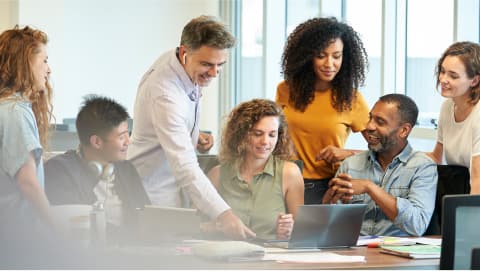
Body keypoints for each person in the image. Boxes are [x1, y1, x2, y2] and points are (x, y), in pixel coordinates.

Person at [127, 15, 254, 239]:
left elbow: (170, 121)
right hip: (151, 194)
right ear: (185, 53)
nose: (214, 73)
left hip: (171, 190)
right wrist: (224, 214)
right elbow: (185, 165)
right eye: (207, 64)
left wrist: (193, 136)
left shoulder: (178, 61)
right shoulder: (165, 93)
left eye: (220, 65)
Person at [276, 17, 370, 204]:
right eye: (321, 55)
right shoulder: (285, 90)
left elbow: (382, 151)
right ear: (306, 56)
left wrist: (346, 153)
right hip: (285, 181)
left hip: (328, 187)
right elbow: (275, 135)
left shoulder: (352, 98)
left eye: (336, 56)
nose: (329, 64)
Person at [323, 94, 437, 236]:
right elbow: (331, 226)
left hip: (397, 253)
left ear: (404, 130)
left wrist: (370, 188)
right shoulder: (350, 165)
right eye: (370, 118)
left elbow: (417, 225)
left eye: (380, 122)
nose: (369, 126)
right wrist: (328, 203)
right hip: (354, 251)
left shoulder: (422, 167)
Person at [206, 99, 304, 240]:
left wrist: (289, 231)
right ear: (242, 134)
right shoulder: (217, 175)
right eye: (257, 134)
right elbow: (195, 226)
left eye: (272, 135)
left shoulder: (290, 173)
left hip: (273, 257)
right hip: (227, 256)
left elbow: (303, 232)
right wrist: (218, 226)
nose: (265, 142)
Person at [44, 95, 150, 214]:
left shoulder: (126, 169)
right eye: (121, 137)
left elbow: (148, 217)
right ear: (97, 142)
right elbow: (71, 224)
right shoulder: (59, 171)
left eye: (127, 134)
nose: (128, 141)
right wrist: (93, 176)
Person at [0, 25, 55, 232]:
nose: (49, 69)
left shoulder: (7, 107)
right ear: (24, 64)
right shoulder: (15, 112)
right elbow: (28, 183)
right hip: (20, 236)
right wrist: (58, 230)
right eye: (45, 61)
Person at [428, 41, 480, 195]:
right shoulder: (447, 107)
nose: (443, 79)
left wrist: (471, 216)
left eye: (453, 75)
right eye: (442, 71)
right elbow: (436, 157)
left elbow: (478, 177)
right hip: (461, 188)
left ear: (475, 80)